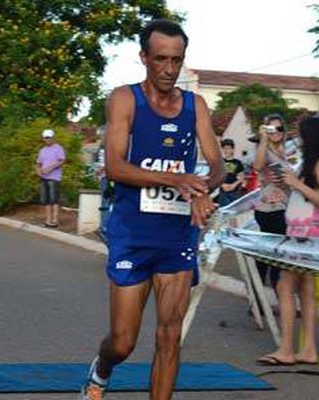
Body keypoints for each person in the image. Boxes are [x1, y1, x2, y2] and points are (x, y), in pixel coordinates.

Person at [80, 20, 225, 400]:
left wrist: (203, 189)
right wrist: (176, 180)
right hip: (133, 232)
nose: (168, 68)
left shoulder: (195, 106)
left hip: (176, 234)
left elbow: (218, 165)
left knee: (170, 334)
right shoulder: (124, 99)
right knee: (123, 342)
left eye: (176, 60)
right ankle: (103, 367)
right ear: (144, 57)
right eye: (160, 58)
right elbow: (115, 166)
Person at [256, 117, 319, 366]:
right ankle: (308, 349)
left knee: (284, 285)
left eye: (302, 135)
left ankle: (287, 349)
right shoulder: (310, 163)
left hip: (307, 233)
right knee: (306, 290)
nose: (298, 140)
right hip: (300, 230)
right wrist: (288, 186)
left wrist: (297, 183)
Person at [252, 114, 299, 290]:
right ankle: (266, 296)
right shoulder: (265, 150)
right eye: (271, 129)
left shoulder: (288, 152)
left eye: (279, 128)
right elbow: (257, 165)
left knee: (274, 255)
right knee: (271, 256)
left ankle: (269, 297)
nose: (276, 132)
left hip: (286, 207)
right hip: (269, 209)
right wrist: (264, 138)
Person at [36, 129, 65, 228]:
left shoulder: (58, 148)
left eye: (48, 137)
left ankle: (55, 220)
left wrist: (50, 168)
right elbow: (39, 163)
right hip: (44, 177)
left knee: (54, 199)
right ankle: (48, 220)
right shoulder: (42, 150)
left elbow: (61, 161)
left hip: (54, 177)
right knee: (46, 200)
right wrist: (38, 170)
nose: (47, 139)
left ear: (53, 138)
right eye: (45, 138)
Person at [216, 138, 245, 207]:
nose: (227, 151)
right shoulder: (219, 162)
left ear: (233, 149)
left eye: (229, 148)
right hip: (223, 192)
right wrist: (222, 185)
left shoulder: (238, 163)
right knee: (224, 210)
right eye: (225, 148)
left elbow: (241, 177)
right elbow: (216, 176)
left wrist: (233, 185)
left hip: (235, 192)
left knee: (234, 211)